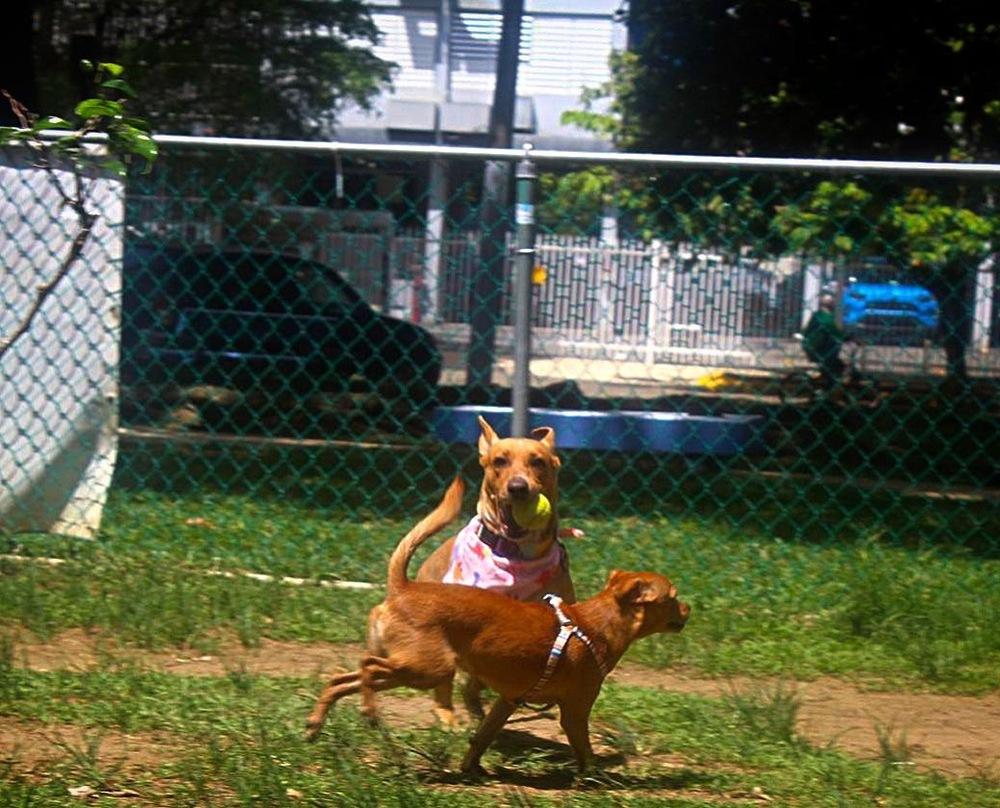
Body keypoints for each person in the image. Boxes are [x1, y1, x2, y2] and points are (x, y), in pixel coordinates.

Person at [802, 292, 849, 388]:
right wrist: (850, 338)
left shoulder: (817, 315)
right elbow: (836, 332)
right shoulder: (825, 318)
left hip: (815, 348)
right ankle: (828, 391)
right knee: (835, 369)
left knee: (837, 366)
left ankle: (826, 388)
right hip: (820, 351)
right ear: (831, 305)